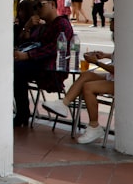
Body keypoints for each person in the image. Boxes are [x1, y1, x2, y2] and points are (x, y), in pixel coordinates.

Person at [42, 16, 115, 144]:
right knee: (86, 75)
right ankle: (64, 103)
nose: (110, 23)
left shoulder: (126, 38)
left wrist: (97, 62)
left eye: (113, 20)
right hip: (113, 77)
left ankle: (94, 126)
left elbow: (119, 69)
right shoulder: (118, 37)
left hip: (122, 81)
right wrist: (105, 55)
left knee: (88, 87)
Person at [12, 0, 73, 128]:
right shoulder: (42, 26)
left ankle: (23, 113)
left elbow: (54, 49)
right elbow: (26, 42)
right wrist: (27, 27)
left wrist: (27, 56)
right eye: (35, 7)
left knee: (17, 70)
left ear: (52, 4)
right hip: (38, 65)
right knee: (14, 69)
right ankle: (21, 113)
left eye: (40, 5)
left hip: (51, 68)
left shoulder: (62, 24)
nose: (37, 9)